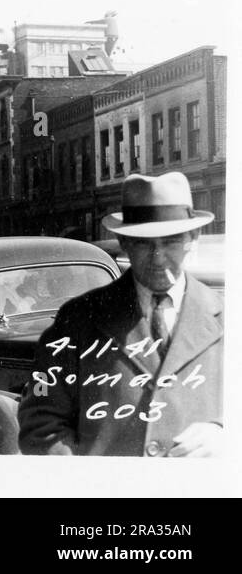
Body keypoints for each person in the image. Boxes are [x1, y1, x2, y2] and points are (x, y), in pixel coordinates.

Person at [17, 172, 224, 457]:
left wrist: (225, 435)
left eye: (172, 240)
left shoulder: (227, 318)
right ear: (123, 241)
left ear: (194, 237)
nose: (158, 256)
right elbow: (40, 424)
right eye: (143, 242)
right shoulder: (76, 321)